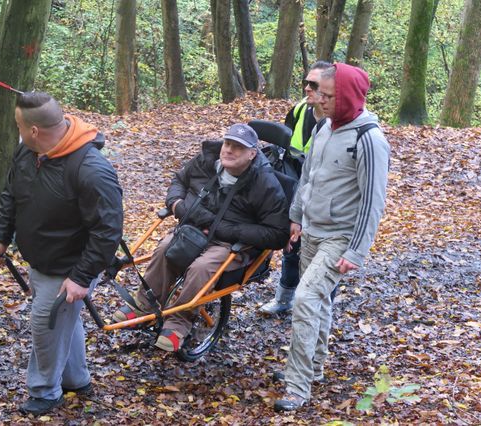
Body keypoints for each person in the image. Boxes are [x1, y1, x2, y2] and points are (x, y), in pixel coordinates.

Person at [0, 92, 123, 416]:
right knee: (63, 320)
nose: (16, 130)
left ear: (33, 129)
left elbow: (108, 232)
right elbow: (11, 194)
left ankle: (45, 392)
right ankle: (76, 379)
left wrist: (81, 277)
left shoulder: (91, 169)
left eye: (18, 124)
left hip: (70, 266)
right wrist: (0, 238)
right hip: (42, 260)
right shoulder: (27, 151)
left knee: (45, 324)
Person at [273, 63, 391, 412]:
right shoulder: (323, 126)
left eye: (326, 95)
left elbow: (373, 201)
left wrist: (357, 251)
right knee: (320, 302)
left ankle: (297, 386)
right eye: (318, 94)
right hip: (312, 230)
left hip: (340, 236)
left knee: (306, 299)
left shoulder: (369, 139)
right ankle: (315, 367)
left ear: (347, 96)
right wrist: (296, 216)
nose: (317, 101)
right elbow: (307, 176)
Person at [112, 124, 290, 352]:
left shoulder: (264, 183)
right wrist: (175, 203)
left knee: (202, 267)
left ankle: (179, 323)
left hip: (232, 243)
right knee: (165, 247)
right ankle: (145, 305)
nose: (229, 150)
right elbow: (179, 180)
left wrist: (225, 230)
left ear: (252, 154)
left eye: (238, 147)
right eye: (227, 144)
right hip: (193, 229)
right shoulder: (206, 161)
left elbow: (277, 234)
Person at [260, 60, 332, 315]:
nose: (307, 88)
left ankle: (321, 309)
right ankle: (284, 299)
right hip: (296, 185)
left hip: (325, 197)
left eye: (314, 84)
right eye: (306, 83)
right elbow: (286, 147)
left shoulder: (339, 120)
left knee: (323, 257)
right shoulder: (300, 110)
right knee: (292, 246)